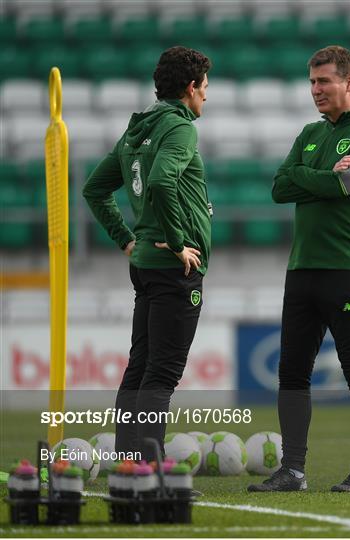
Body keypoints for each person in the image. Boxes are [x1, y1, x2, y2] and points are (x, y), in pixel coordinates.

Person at [248, 45, 350, 493]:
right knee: (291, 372)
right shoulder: (309, 131)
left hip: (347, 270)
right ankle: (293, 469)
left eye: (324, 80)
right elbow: (277, 186)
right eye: (312, 82)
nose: (315, 90)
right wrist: (324, 175)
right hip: (302, 269)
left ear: (349, 82)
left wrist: (312, 176)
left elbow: (345, 183)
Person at [83, 46, 211, 460]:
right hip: (175, 267)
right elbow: (159, 182)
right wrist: (177, 242)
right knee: (163, 373)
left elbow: (94, 188)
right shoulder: (180, 127)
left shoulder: (137, 128)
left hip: (145, 266)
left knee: (140, 366)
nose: (206, 96)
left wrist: (125, 239)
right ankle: (151, 469)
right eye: (205, 87)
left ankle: (128, 461)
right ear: (190, 88)